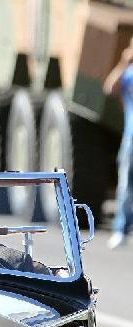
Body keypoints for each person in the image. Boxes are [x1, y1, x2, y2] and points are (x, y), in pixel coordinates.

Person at [104, 37, 133, 249]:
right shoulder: (129, 74)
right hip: (131, 138)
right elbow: (110, 88)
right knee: (125, 186)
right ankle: (121, 229)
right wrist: (124, 61)